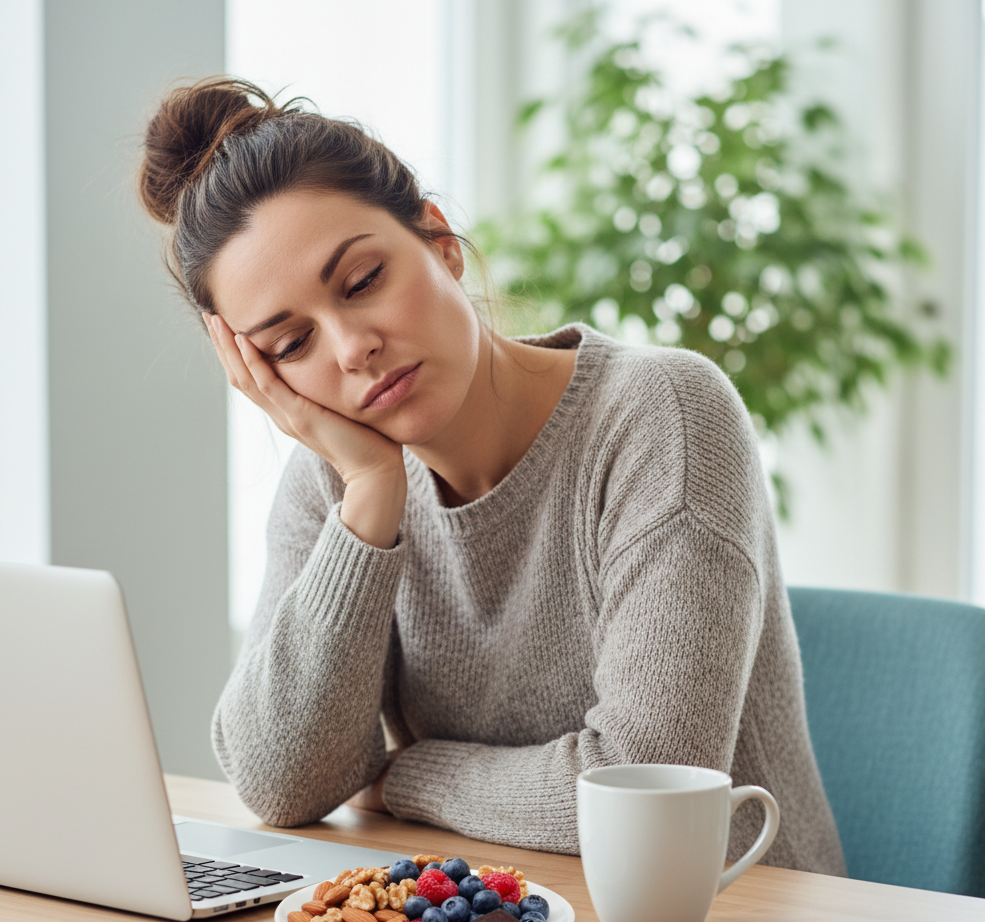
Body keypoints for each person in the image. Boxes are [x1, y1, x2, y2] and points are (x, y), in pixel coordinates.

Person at [138, 77, 846, 875]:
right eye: (290, 344)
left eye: (363, 281)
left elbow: (644, 787)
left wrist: (405, 774)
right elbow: (280, 783)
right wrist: (372, 493)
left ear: (439, 244)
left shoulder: (662, 413)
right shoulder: (336, 481)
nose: (349, 349)